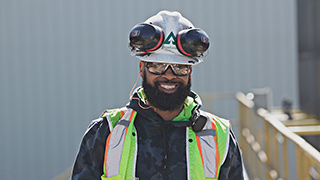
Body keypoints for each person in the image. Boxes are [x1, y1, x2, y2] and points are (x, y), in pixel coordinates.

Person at [72, 10, 244, 180]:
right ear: (142, 69)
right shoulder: (106, 132)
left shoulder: (219, 136)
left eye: (180, 67)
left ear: (190, 72)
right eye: (157, 65)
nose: (169, 75)